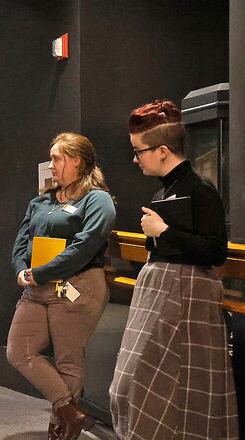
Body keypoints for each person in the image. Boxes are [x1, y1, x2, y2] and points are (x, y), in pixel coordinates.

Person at [109, 100, 238, 439]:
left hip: (188, 296)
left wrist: (164, 231)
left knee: (182, 385)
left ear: (163, 151)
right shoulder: (166, 192)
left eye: (139, 151)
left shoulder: (200, 191)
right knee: (132, 385)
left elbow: (215, 251)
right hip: (161, 292)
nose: (135, 159)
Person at [7, 133, 116, 440]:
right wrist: (21, 270)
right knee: (19, 350)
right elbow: (21, 242)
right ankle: (70, 412)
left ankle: (61, 429)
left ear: (76, 161)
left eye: (57, 158)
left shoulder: (97, 200)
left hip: (77, 285)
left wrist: (42, 272)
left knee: (68, 361)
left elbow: (85, 246)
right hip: (37, 286)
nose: (51, 164)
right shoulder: (41, 201)